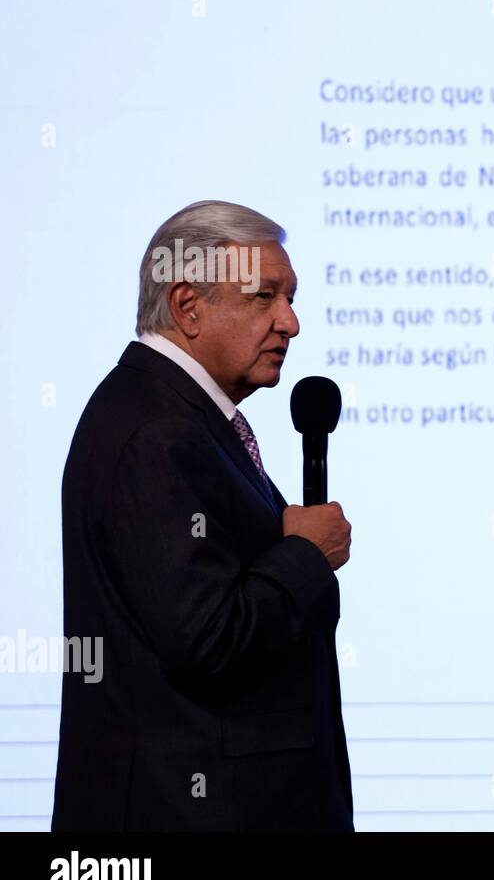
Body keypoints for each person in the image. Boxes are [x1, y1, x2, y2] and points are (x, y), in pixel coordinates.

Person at [52, 200, 354, 830]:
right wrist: (304, 556)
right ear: (188, 306)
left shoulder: (175, 414)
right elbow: (208, 639)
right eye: (264, 297)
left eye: (290, 297)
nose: (290, 322)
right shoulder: (160, 431)